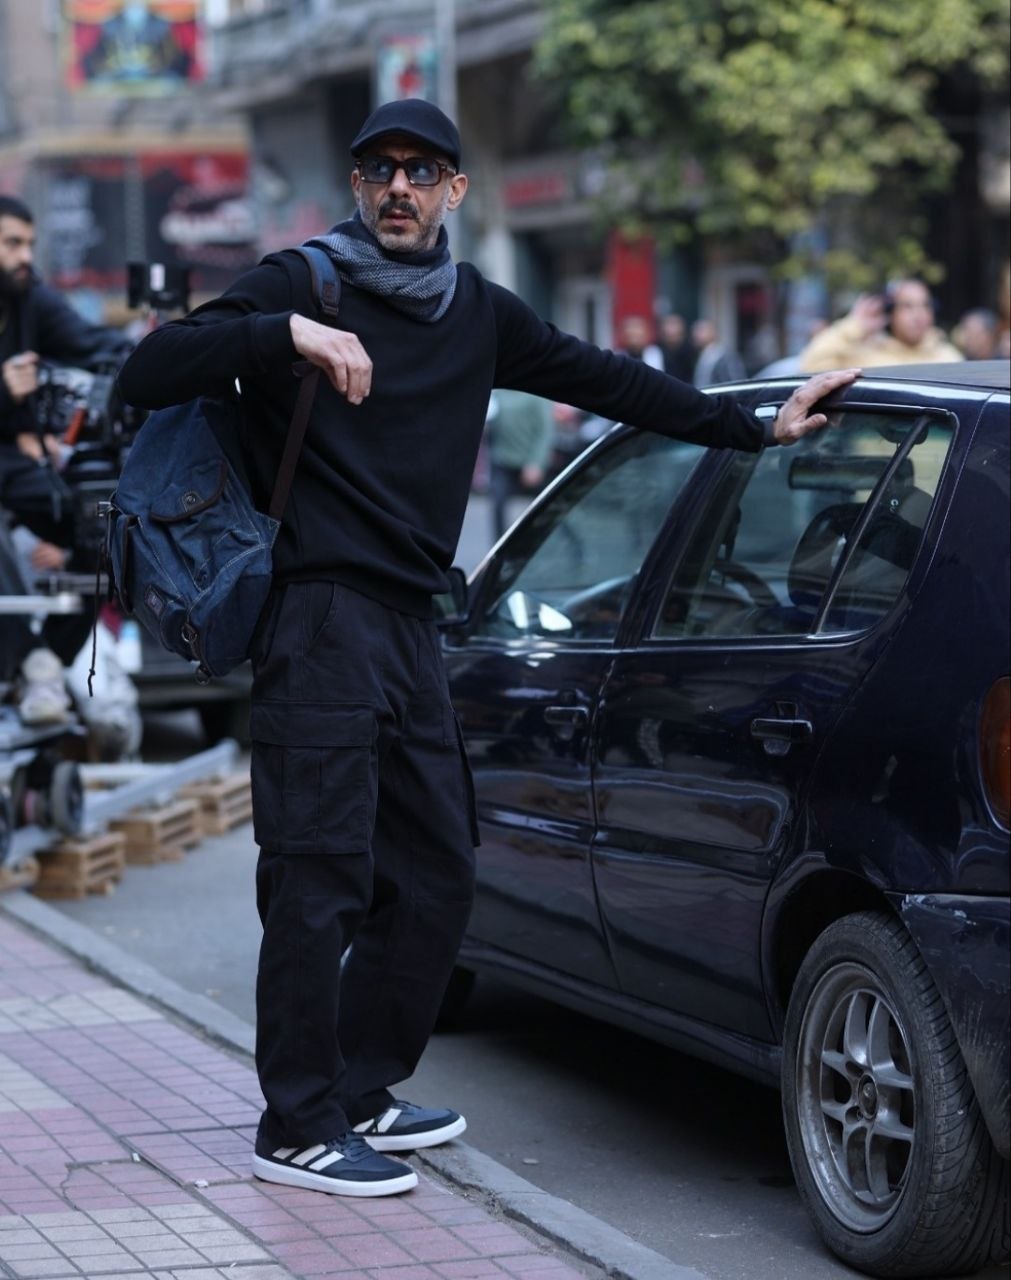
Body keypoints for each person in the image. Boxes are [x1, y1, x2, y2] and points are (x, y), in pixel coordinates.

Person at [116, 98, 860, 1201]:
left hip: (415, 622)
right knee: (318, 877)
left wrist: (752, 426)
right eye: (381, 169)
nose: (400, 187)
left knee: (435, 873)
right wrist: (286, 336)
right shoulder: (301, 283)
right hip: (318, 618)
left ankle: (359, 1085)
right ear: (358, 186)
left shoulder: (477, 310)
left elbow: (606, 379)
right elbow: (150, 370)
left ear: (456, 190)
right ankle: (297, 1122)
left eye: (422, 171)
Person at [0, 194, 130, 709]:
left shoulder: (30, 298)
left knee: (100, 530)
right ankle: (28, 659)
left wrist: (172, 358)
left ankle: (43, 673)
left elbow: (100, 345)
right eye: (12, 243)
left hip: (14, 462)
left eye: (29, 244)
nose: (25, 256)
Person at [798, 279, 963, 372]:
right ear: (891, 313)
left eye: (925, 305)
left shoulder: (948, 357)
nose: (919, 314)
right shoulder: (864, 357)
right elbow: (810, 366)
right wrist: (854, 326)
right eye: (907, 306)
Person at [484, 387, 554, 540]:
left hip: (528, 462)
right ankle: (500, 544)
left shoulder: (536, 397)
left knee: (546, 504)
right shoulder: (499, 394)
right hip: (503, 460)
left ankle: (543, 540)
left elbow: (545, 432)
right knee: (498, 503)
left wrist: (536, 463)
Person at [691, 317, 746, 386]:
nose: (696, 334)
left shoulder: (724, 356)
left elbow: (735, 382)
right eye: (695, 330)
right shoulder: (703, 355)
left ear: (712, 332)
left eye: (701, 330)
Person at [657, 312, 696, 381]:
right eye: (669, 324)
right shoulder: (655, 351)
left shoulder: (692, 352)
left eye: (674, 324)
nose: (671, 329)